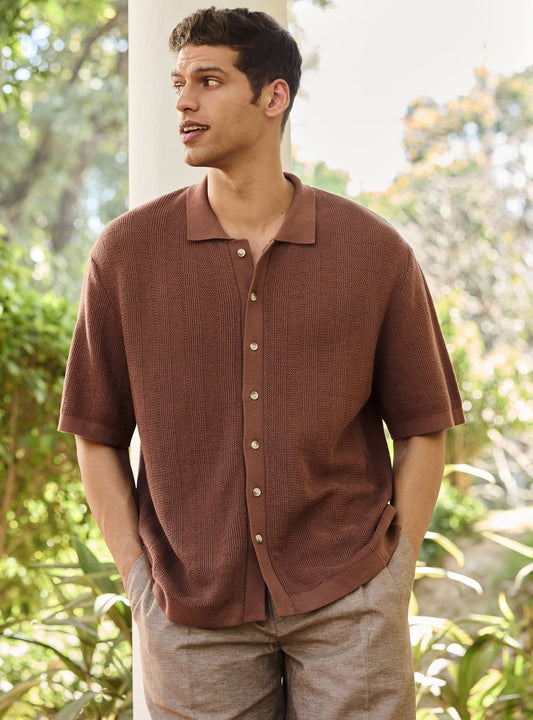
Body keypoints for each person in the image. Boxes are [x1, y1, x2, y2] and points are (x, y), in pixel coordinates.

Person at [59, 7, 464, 719]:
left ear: (274, 97)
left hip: (350, 603)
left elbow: (424, 425)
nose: (183, 101)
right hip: (191, 614)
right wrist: (139, 585)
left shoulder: (373, 253)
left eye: (209, 81)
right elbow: (95, 434)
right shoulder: (126, 256)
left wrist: (393, 574)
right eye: (179, 83)